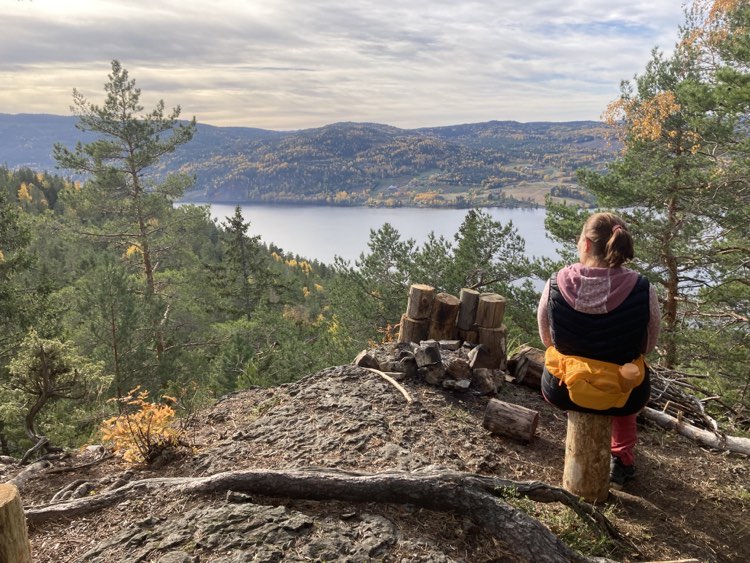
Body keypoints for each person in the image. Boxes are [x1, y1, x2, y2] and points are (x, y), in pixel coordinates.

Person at [537, 212, 660, 487]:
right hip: (624, 393)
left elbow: (547, 339)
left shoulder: (556, 281)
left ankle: (584, 413)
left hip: (564, 390)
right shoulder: (642, 287)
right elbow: (648, 344)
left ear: (587, 245)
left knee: (573, 374)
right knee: (627, 384)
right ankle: (622, 460)